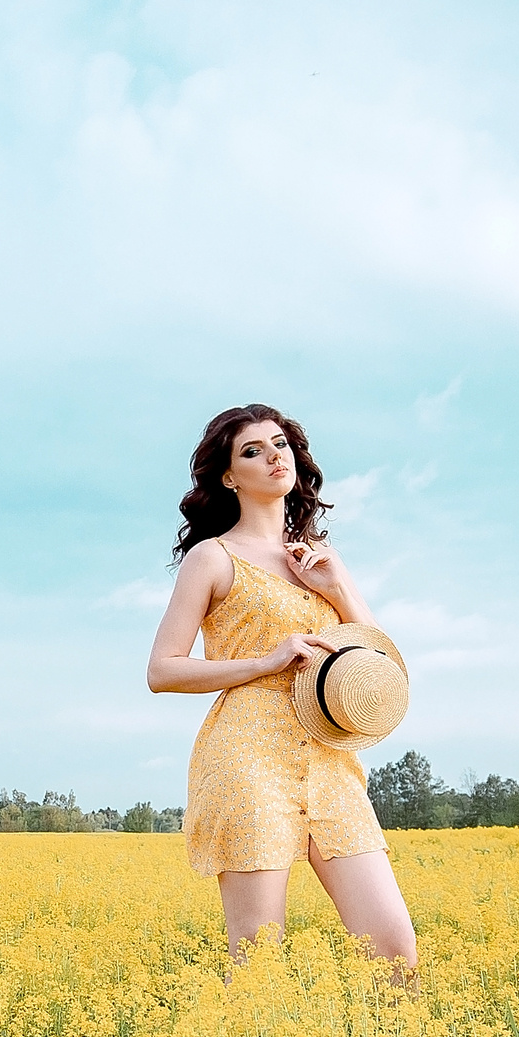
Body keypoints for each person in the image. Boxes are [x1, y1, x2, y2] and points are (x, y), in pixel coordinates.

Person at [147, 405, 419, 972]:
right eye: (252, 451)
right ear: (228, 477)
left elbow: (378, 658)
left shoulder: (319, 558)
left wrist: (338, 586)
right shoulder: (212, 557)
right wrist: (265, 661)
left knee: (394, 947)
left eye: (281, 444)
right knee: (259, 957)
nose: (275, 457)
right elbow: (162, 670)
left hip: (329, 755)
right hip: (247, 756)